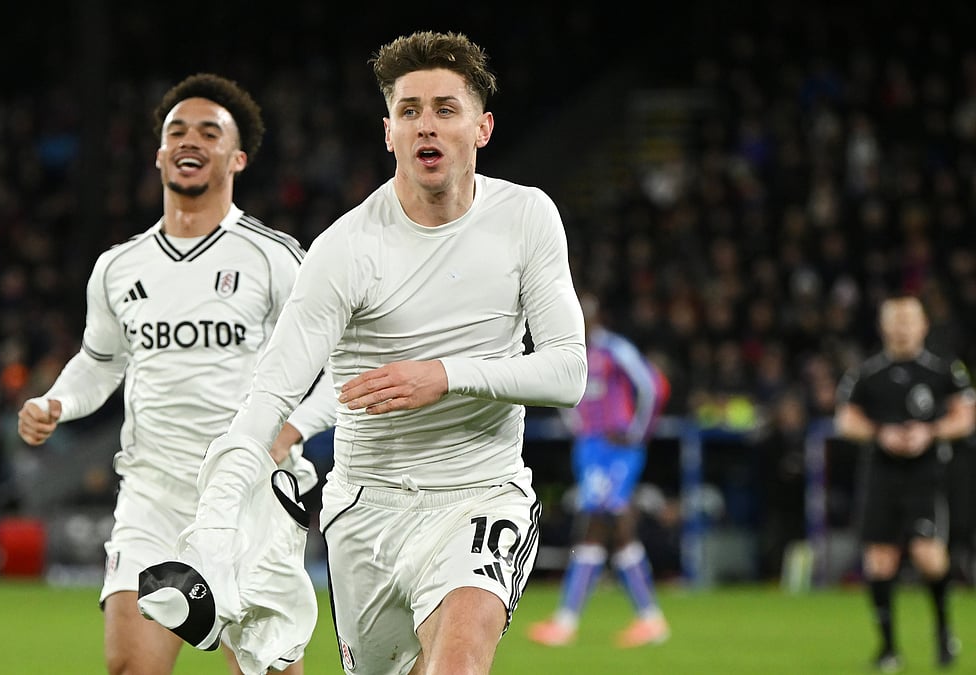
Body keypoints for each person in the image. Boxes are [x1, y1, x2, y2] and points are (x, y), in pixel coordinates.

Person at [158, 31, 588, 675]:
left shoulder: (526, 217)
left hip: (481, 492)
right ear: (389, 132)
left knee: (458, 665)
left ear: (483, 127)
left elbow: (568, 371)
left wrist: (444, 376)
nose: (427, 126)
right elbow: (270, 393)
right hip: (367, 509)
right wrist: (213, 534)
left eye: (446, 109)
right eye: (410, 111)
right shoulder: (346, 248)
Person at [17, 73, 336, 675]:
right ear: (161, 154)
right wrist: (57, 401)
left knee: (267, 671)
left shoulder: (275, 258)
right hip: (153, 493)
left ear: (236, 157)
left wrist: (291, 429)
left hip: (251, 495)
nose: (191, 140)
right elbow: (100, 360)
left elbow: (333, 361)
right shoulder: (118, 267)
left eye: (209, 132)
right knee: (130, 666)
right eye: (177, 131)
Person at [835, 295, 976, 672]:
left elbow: (966, 417)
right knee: (880, 562)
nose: (901, 328)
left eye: (908, 321)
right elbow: (846, 421)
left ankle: (944, 632)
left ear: (923, 325)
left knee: (928, 556)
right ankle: (887, 649)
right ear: (884, 327)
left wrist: (929, 433)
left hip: (927, 476)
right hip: (881, 475)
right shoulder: (865, 374)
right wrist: (880, 433)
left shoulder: (945, 370)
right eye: (895, 321)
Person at [528, 291, 670, 648]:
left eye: (586, 314)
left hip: (617, 449)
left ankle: (566, 621)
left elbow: (654, 386)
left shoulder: (614, 349)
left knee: (595, 527)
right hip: (590, 449)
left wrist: (637, 433)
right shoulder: (570, 351)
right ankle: (649, 618)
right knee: (615, 530)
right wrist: (578, 425)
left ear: (596, 317)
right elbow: (557, 391)